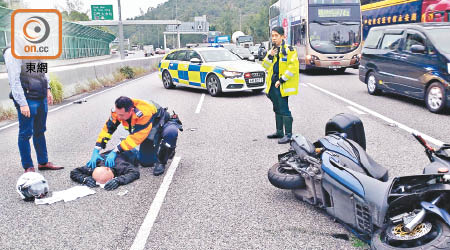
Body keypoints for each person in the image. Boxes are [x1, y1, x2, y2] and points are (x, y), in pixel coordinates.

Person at [3, 46, 63, 173]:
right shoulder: (12, 52)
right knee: (26, 133)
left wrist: (48, 89)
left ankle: (43, 162)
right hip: (27, 98)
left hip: (41, 96)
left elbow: (43, 70)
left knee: (40, 130)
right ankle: (28, 166)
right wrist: (22, 103)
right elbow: (14, 80)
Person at [87, 96, 182, 176]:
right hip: (147, 129)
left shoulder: (143, 113)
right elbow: (107, 130)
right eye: (117, 114)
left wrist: (116, 150)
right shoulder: (118, 112)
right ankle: (157, 149)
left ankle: (165, 156)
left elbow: (136, 138)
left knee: (171, 133)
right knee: (146, 162)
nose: (118, 117)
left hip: (161, 123)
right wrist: (96, 149)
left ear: (131, 111)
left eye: (122, 115)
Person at [262, 26, 299, 144]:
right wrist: (270, 55)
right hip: (272, 84)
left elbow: (293, 68)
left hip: (282, 84)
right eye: (272, 36)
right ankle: (279, 132)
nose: (274, 38)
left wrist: (281, 80)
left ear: (283, 36)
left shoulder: (289, 50)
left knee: (284, 109)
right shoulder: (272, 50)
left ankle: (288, 134)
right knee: (276, 108)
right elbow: (265, 66)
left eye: (276, 36)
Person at [71, 149, 140, 190]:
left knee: (144, 161)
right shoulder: (93, 166)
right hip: (108, 153)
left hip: (130, 152)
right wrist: (84, 179)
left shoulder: (120, 166)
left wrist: (118, 180)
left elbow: (135, 172)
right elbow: (74, 172)